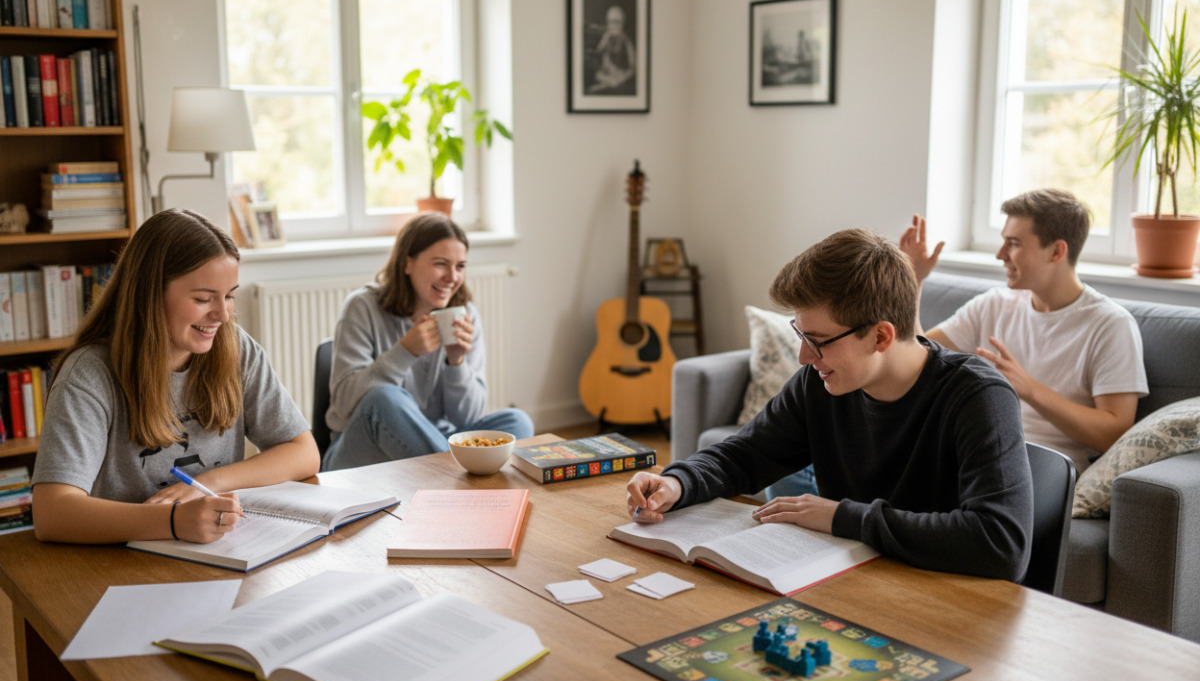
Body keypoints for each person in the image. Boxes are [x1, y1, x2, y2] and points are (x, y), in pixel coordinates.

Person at [625, 229, 1033, 582]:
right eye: (800, 334)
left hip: (945, 605)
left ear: (881, 337)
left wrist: (841, 517)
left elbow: (1000, 543)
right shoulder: (821, 383)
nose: (804, 357)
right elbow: (745, 454)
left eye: (818, 340)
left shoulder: (979, 397)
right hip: (851, 584)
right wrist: (678, 482)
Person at [32, 209, 320, 544]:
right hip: (117, 562)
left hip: (216, 553)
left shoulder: (236, 349)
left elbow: (304, 452)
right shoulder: (89, 375)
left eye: (229, 295)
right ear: (149, 294)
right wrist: (172, 522)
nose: (223, 315)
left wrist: (209, 484)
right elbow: (52, 513)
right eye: (202, 299)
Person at [899, 189, 1147, 476]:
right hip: (974, 450)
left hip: (1045, 466)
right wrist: (913, 280)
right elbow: (917, 358)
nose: (1000, 255)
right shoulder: (993, 304)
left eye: (1013, 243)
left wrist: (1028, 389)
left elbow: (1114, 432)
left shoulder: (1110, 324)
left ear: (1056, 251)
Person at [322, 212, 534, 470]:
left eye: (460, 266)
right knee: (385, 399)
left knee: (517, 423)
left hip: (431, 445)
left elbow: (467, 418)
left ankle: (448, 482)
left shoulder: (465, 316)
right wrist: (405, 352)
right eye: (441, 264)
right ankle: (458, 487)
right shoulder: (362, 307)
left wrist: (456, 362)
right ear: (407, 263)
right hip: (362, 452)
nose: (452, 277)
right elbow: (344, 405)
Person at [588, 5, 636, 94]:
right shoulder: (607, 37)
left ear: (622, 23)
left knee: (616, 82)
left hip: (619, 75)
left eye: (616, 22)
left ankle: (606, 85)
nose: (612, 25)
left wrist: (623, 75)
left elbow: (632, 67)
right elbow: (598, 53)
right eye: (610, 22)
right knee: (598, 76)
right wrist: (605, 39)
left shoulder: (626, 40)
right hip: (606, 73)